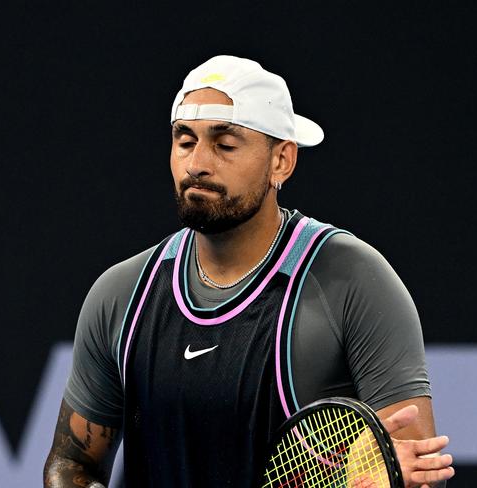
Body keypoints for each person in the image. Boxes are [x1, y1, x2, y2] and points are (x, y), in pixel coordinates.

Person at [44, 55, 455, 488]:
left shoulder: (355, 283)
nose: (197, 163)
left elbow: (418, 473)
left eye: (225, 144)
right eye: (185, 141)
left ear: (282, 161)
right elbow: (71, 465)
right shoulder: (120, 295)